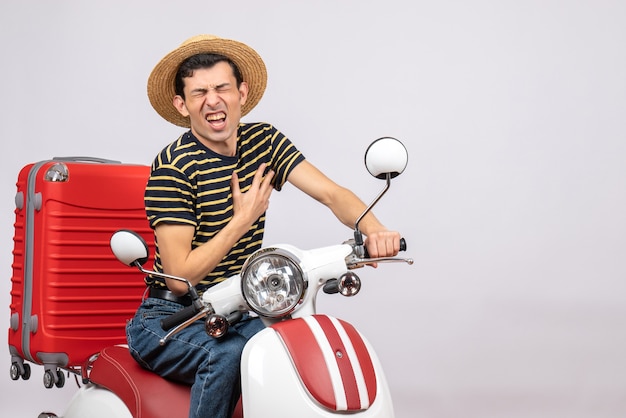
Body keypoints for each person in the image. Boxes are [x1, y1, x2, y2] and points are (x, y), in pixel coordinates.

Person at [126, 34, 402, 418]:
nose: (213, 100)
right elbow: (179, 277)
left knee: (297, 343)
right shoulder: (174, 167)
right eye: (199, 92)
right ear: (182, 104)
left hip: (237, 310)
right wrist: (242, 220)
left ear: (241, 92)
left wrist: (374, 229)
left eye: (222, 87)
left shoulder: (264, 142)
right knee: (225, 355)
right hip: (171, 320)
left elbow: (331, 194)